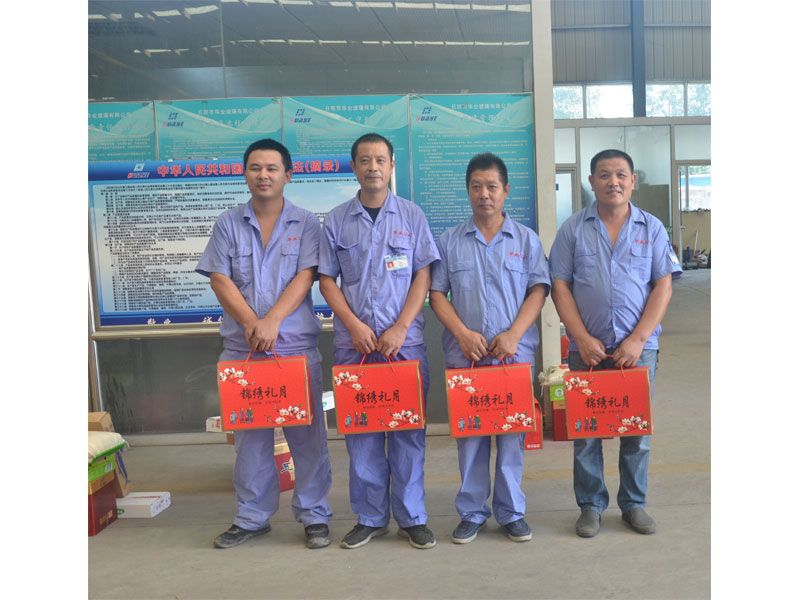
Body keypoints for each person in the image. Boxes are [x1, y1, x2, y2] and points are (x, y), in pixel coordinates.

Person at [196, 138, 333, 550]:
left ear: (288, 175)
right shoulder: (228, 223)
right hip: (244, 351)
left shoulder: (306, 224)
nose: (263, 175)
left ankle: (314, 515)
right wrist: (252, 324)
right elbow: (219, 278)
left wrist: (272, 321)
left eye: (272, 168)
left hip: (294, 350)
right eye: (255, 168)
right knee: (250, 441)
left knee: (307, 439)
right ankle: (252, 517)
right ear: (245, 174)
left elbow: (306, 276)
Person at [548, 148, 681, 538]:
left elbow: (663, 285)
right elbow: (560, 286)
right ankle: (590, 506)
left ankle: (633, 504)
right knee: (586, 431)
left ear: (632, 180)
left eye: (621, 174)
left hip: (638, 350)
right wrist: (580, 337)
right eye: (604, 175)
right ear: (592, 182)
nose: (613, 182)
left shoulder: (651, 228)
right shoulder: (573, 229)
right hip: (587, 350)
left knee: (635, 431)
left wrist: (638, 339)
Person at [318, 133, 440, 550]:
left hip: (404, 346)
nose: (373, 168)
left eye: (380, 160)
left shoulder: (412, 215)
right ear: (354, 167)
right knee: (362, 435)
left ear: (391, 166)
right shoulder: (337, 220)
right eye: (365, 160)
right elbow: (327, 280)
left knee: (408, 434)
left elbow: (423, 274)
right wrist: (353, 325)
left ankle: (412, 517)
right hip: (354, 348)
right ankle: (370, 517)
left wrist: (402, 327)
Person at [429, 152, 550, 544]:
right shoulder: (450, 242)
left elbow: (538, 290)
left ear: (505, 190)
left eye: (492, 187)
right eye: (477, 186)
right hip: (466, 356)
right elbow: (436, 294)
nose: (484, 194)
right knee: (471, 436)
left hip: (513, 355)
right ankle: (472, 512)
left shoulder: (526, 240)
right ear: (468, 191)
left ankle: (512, 512)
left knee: (512, 436)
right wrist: (462, 333)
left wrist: (514, 334)